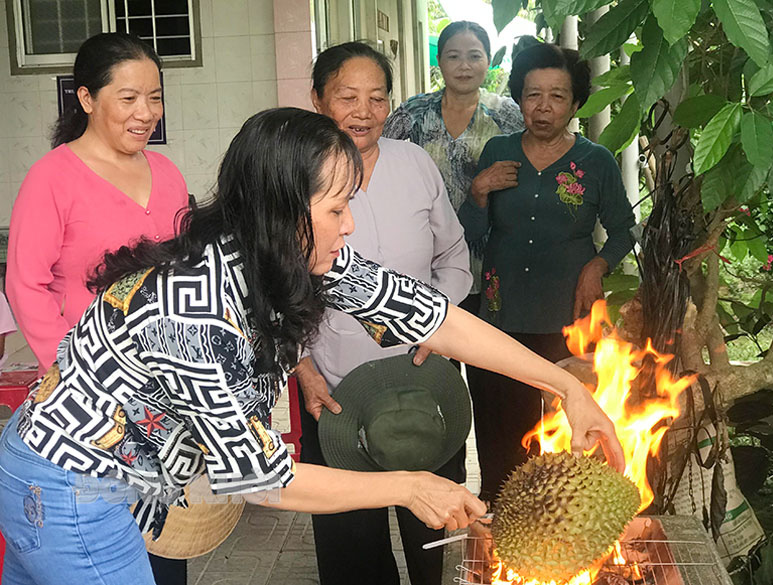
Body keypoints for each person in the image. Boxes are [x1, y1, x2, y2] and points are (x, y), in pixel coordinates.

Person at [0, 107, 624, 585]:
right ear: (282, 211)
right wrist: (409, 486)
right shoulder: (193, 312)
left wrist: (565, 385)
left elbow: (433, 319)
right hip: (69, 486)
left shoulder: (297, 255)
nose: (349, 223)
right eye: (337, 207)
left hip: (75, 473)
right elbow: (260, 479)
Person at [5, 32, 190, 583]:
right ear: (86, 99)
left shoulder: (169, 175)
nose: (146, 114)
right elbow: (25, 286)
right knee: (96, 532)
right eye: (128, 98)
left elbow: (182, 280)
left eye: (154, 97)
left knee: (163, 537)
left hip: (162, 398)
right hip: (90, 404)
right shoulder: (52, 178)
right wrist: (74, 374)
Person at [295, 41, 471, 585]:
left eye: (377, 98)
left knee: (435, 531)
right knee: (352, 539)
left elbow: (455, 258)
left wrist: (438, 329)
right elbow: (276, 288)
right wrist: (301, 365)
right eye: (348, 97)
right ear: (318, 100)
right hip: (333, 387)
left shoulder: (414, 164)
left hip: (423, 381)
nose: (364, 111)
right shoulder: (296, 177)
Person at [458, 43, 636, 503]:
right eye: (533, 94)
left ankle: (565, 520)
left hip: (569, 318)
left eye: (557, 96)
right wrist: (478, 192)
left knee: (570, 429)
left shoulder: (596, 162)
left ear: (576, 103)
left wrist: (597, 266)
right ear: (519, 97)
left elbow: (622, 231)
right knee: (502, 436)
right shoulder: (498, 151)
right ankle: (500, 525)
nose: (543, 107)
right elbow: (471, 231)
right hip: (502, 317)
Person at [383, 21, 525, 311]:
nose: (464, 66)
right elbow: (380, 155)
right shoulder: (415, 112)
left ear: (488, 60)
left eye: (474, 56)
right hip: (430, 250)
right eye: (453, 56)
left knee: (488, 343)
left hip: (495, 249)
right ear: (439, 61)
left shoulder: (508, 114)